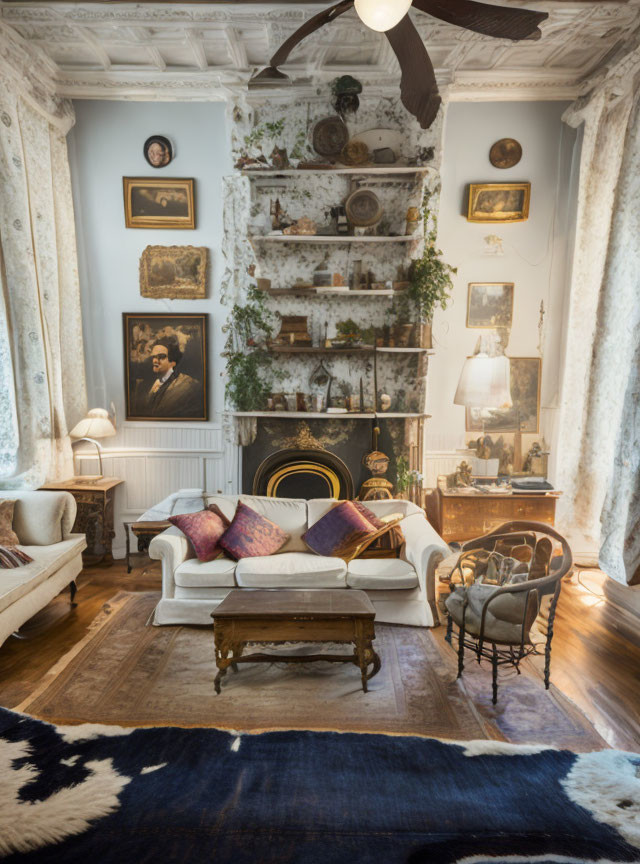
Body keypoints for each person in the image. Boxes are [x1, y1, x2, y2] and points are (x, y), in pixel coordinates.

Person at [137, 335, 202, 418]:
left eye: (161, 357)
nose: (155, 360)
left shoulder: (187, 385)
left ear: (173, 362)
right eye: (154, 357)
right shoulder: (147, 383)